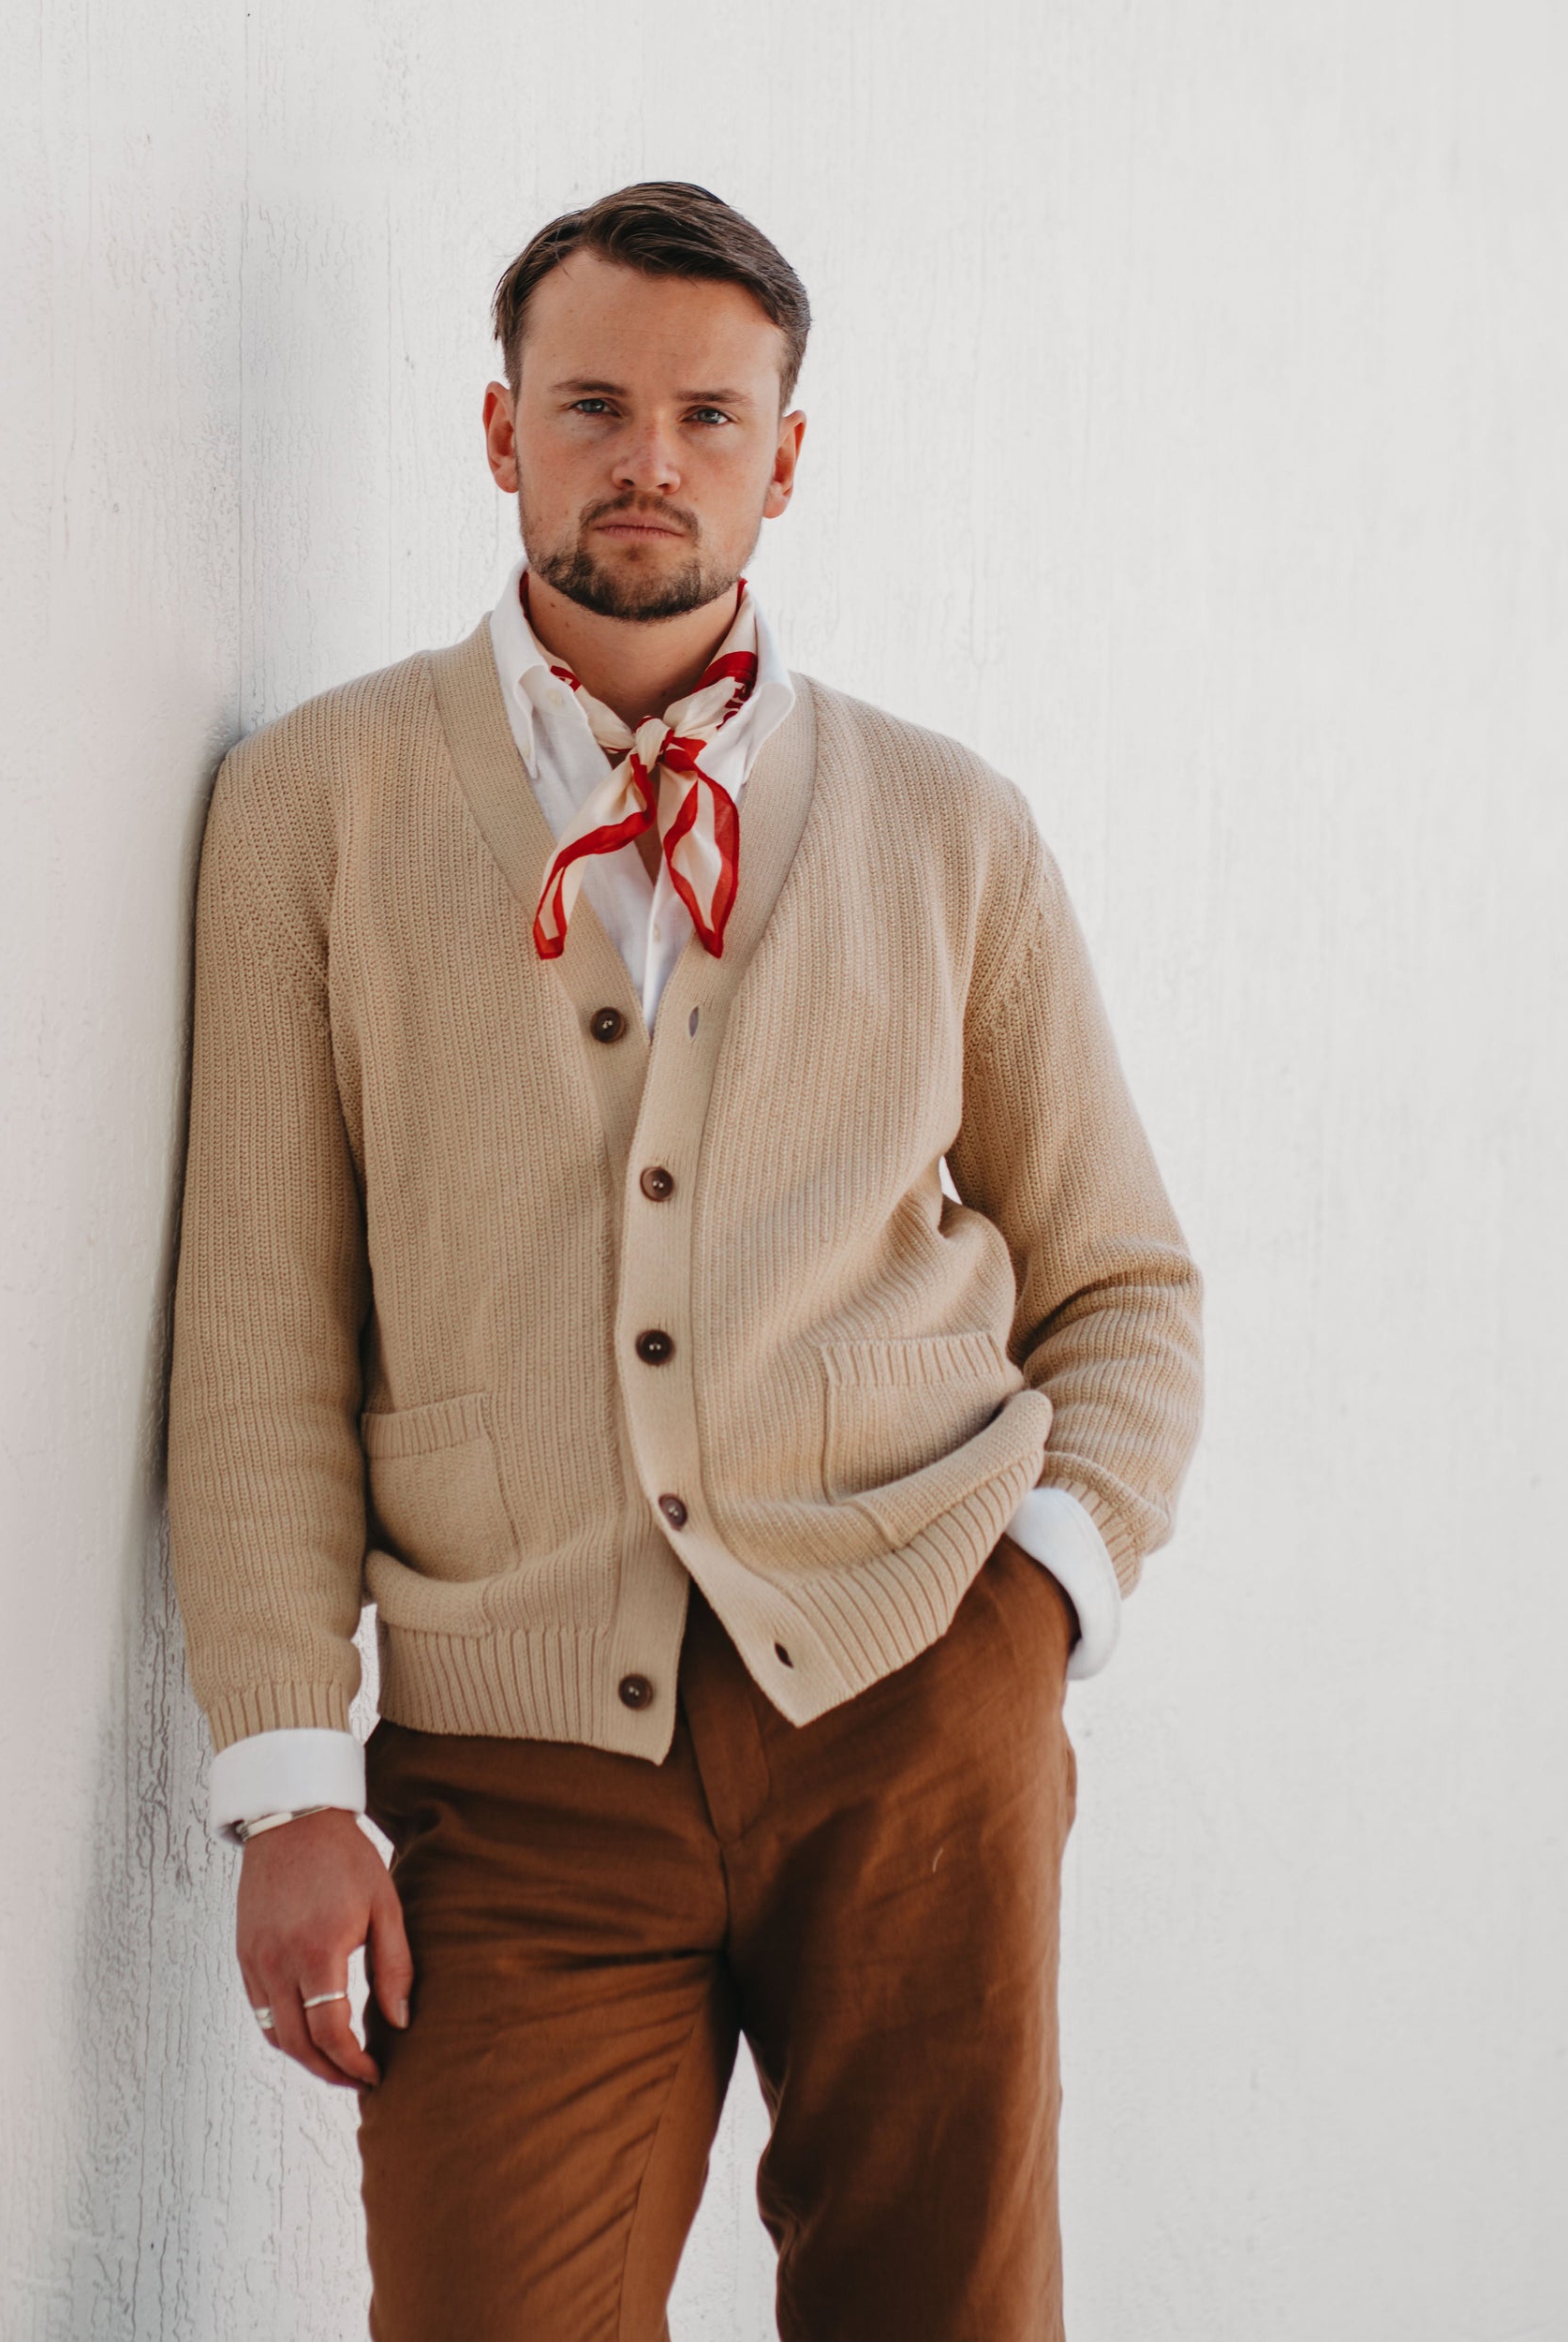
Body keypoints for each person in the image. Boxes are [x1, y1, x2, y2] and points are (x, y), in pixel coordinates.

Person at [166, 180, 1204, 2342]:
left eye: (708, 417)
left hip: (913, 1702)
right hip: (518, 1759)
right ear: (500, 428)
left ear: (782, 459)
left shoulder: (949, 824)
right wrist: (286, 1771)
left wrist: (1037, 1600)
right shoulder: (319, 805)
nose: (648, 458)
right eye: (593, 405)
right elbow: (260, 1325)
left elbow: (1123, 1283)